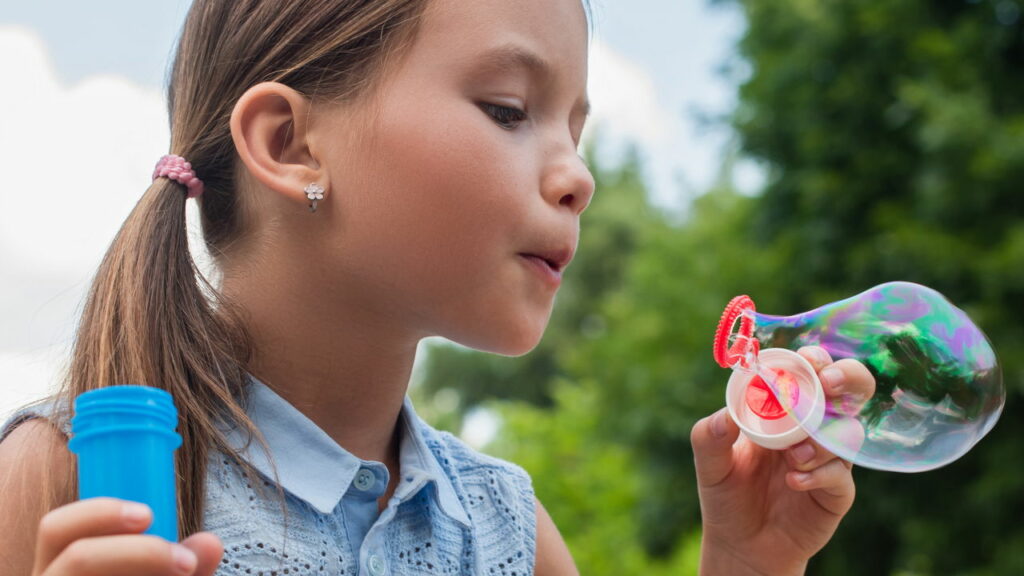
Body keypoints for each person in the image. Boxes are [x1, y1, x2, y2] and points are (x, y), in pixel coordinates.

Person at [0, 0, 875, 574]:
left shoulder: (509, 530)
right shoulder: (70, 478)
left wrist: (748, 562)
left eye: (578, 131)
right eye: (507, 108)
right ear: (291, 144)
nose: (580, 178)